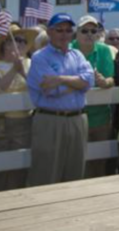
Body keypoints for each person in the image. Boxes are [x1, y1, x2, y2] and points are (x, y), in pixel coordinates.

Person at [26, 13, 95, 186]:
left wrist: (61, 79)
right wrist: (77, 83)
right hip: (50, 119)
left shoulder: (77, 55)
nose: (64, 34)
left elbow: (89, 81)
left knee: (76, 172)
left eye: (68, 30)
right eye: (59, 30)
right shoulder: (40, 57)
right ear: (49, 32)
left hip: (77, 119)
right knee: (46, 172)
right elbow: (50, 90)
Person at [0, 24, 36, 192]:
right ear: (4, 45)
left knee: (19, 170)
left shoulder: (31, 63)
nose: (20, 43)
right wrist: (14, 69)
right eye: (15, 40)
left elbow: (37, 90)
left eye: (23, 40)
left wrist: (22, 71)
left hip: (23, 123)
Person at [72, 15, 115, 178]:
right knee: (80, 161)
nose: (89, 34)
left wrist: (105, 82)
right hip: (76, 116)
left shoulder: (104, 50)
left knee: (100, 162)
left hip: (101, 117)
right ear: (77, 33)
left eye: (93, 30)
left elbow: (112, 78)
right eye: (84, 30)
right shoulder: (69, 49)